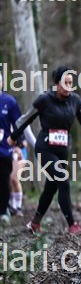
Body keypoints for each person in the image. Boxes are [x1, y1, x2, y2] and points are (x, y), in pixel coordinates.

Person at [8, 66, 81, 235]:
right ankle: (72, 225)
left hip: (62, 151)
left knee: (51, 187)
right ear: (56, 84)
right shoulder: (44, 100)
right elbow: (25, 119)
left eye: (71, 83)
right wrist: (14, 136)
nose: (68, 87)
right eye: (65, 83)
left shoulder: (75, 100)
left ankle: (35, 223)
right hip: (45, 149)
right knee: (63, 180)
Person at [0, 73, 23, 223]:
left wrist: (19, 145)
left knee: (5, 180)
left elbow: (19, 124)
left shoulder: (10, 102)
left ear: (2, 83)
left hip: (4, 149)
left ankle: (3, 211)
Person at [9, 135, 29, 217]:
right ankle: (12, 206)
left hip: (20, 151)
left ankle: (18, 208)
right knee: (9, 179)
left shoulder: (19, 126)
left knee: (14, 178)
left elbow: (27, 136)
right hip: (6, 151)